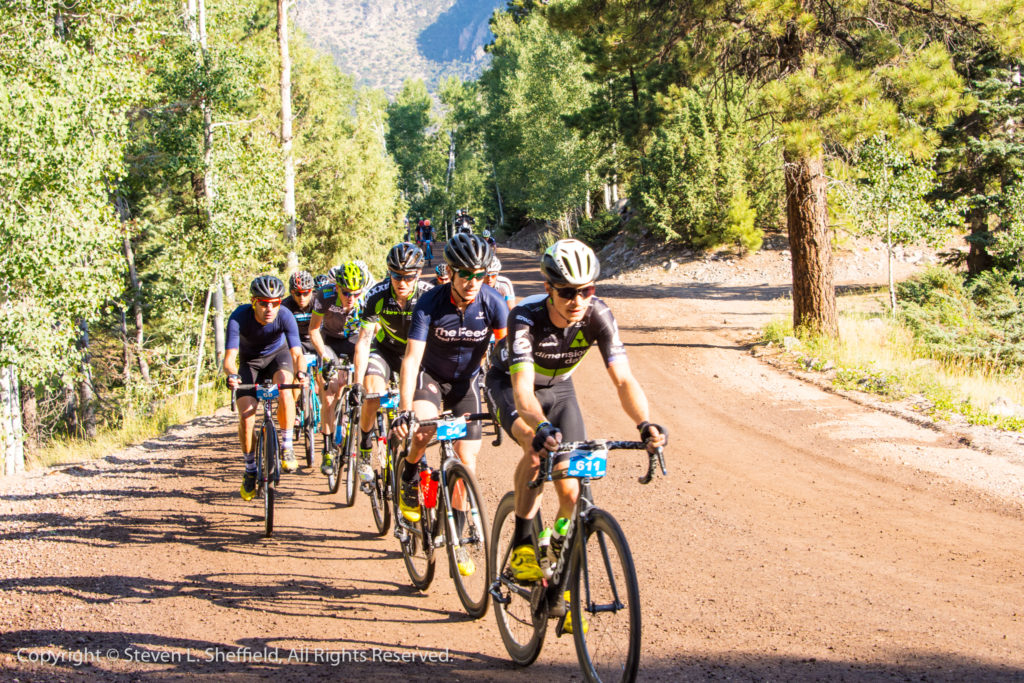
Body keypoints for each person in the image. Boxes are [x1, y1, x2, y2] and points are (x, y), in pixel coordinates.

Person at [484, 239, 667, 582]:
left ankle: (554, 548)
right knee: (536, 451)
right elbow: (523, 392)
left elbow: (624, 380)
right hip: (510, 385)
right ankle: (523, 542)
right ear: (548, 289)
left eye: (586, 290)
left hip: (560, 388)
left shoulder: (598, 314)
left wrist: (645, 424)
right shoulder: (525, 316)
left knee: (571, 490)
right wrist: (539, 427)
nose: (577, 301)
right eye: (567, 292)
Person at [391, 234, 508, 577]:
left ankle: (456, 534)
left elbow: (507, 356)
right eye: (466, 275)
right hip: (430, 379)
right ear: (451, 272)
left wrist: (508, 402)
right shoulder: (429, 304)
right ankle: (410, 474)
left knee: (466, 461)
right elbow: (411, 359)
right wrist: (403, 408)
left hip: (466, 385)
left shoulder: (494, 303)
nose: (474, 282)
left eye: (480, 274)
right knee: (424, 428)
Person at [352, 243, 433, 482]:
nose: (402, 282)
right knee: (372, 394)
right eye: (396, 275)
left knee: (423, 409)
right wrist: (357, 383)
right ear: (389, 272)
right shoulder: (376, 295)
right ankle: (365, 446)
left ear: (418, 274)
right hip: (385, 349)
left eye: (409, 276)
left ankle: (415, 459)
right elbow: (364, 341)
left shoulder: (429, 295)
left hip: (417, 353)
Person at [224, 275, 308, 499]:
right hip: (249, 363)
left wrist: (301, 373)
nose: (269, 308)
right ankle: (250, 469)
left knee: (285, 389)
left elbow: (297, 353)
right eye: (263, 303)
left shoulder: (285, 315)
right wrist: (232, 375)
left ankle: (287, 445)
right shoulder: (239, 317)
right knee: (246, 416)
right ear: (253, 302)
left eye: (275, 302)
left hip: (277, 358)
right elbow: (229, 358)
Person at [310, 262, 366, 474]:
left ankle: (352, 428)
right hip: (329, 342)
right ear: (337, 288)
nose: (351, 297)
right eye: (346, 293)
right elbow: (313, 330)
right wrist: (325, 357)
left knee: (359, 383)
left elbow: (373, 333)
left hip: (355, 341)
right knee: (330, 394)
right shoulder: (324, 295)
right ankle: (327, 450)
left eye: (356, 293)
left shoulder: (367, 298)